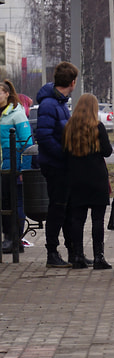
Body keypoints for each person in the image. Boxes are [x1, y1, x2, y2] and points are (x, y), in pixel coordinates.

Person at [35, 61, 80, 268]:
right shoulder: (50, 104)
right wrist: (63, 155)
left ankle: (73, 252)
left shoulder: (59, 103)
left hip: (63, 165)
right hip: (56, 166)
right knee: (58, 208)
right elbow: (44, 137)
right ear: (72, 82)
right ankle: (52, 252)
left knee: (68, 208)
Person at [63, 93, 113, 270]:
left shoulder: (69, 128)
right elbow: (107, 151)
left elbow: (64, 153)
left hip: (76, 179)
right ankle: (99, 257)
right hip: (97, 178)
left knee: (77, 219)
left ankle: (77, 256)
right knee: (97, 219)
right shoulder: (98, 127)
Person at [0, 79, 32, 253]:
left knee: (13, 203)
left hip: (12, 166)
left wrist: (23, 169)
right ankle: (9, 239)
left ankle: (14, 238)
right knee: (4, 204)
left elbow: (27, 143)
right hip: (2, 166)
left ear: (7, 94)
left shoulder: (16, 114)